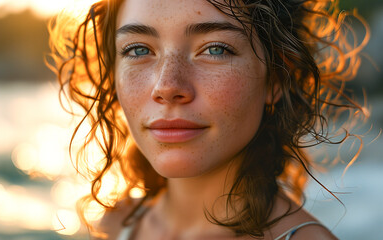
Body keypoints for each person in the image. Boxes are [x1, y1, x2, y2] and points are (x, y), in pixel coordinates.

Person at [49, 0, 368, 239]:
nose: (167, 86)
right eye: (137, 49)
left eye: (215, 49)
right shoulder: (113, 224)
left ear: (276, 79)